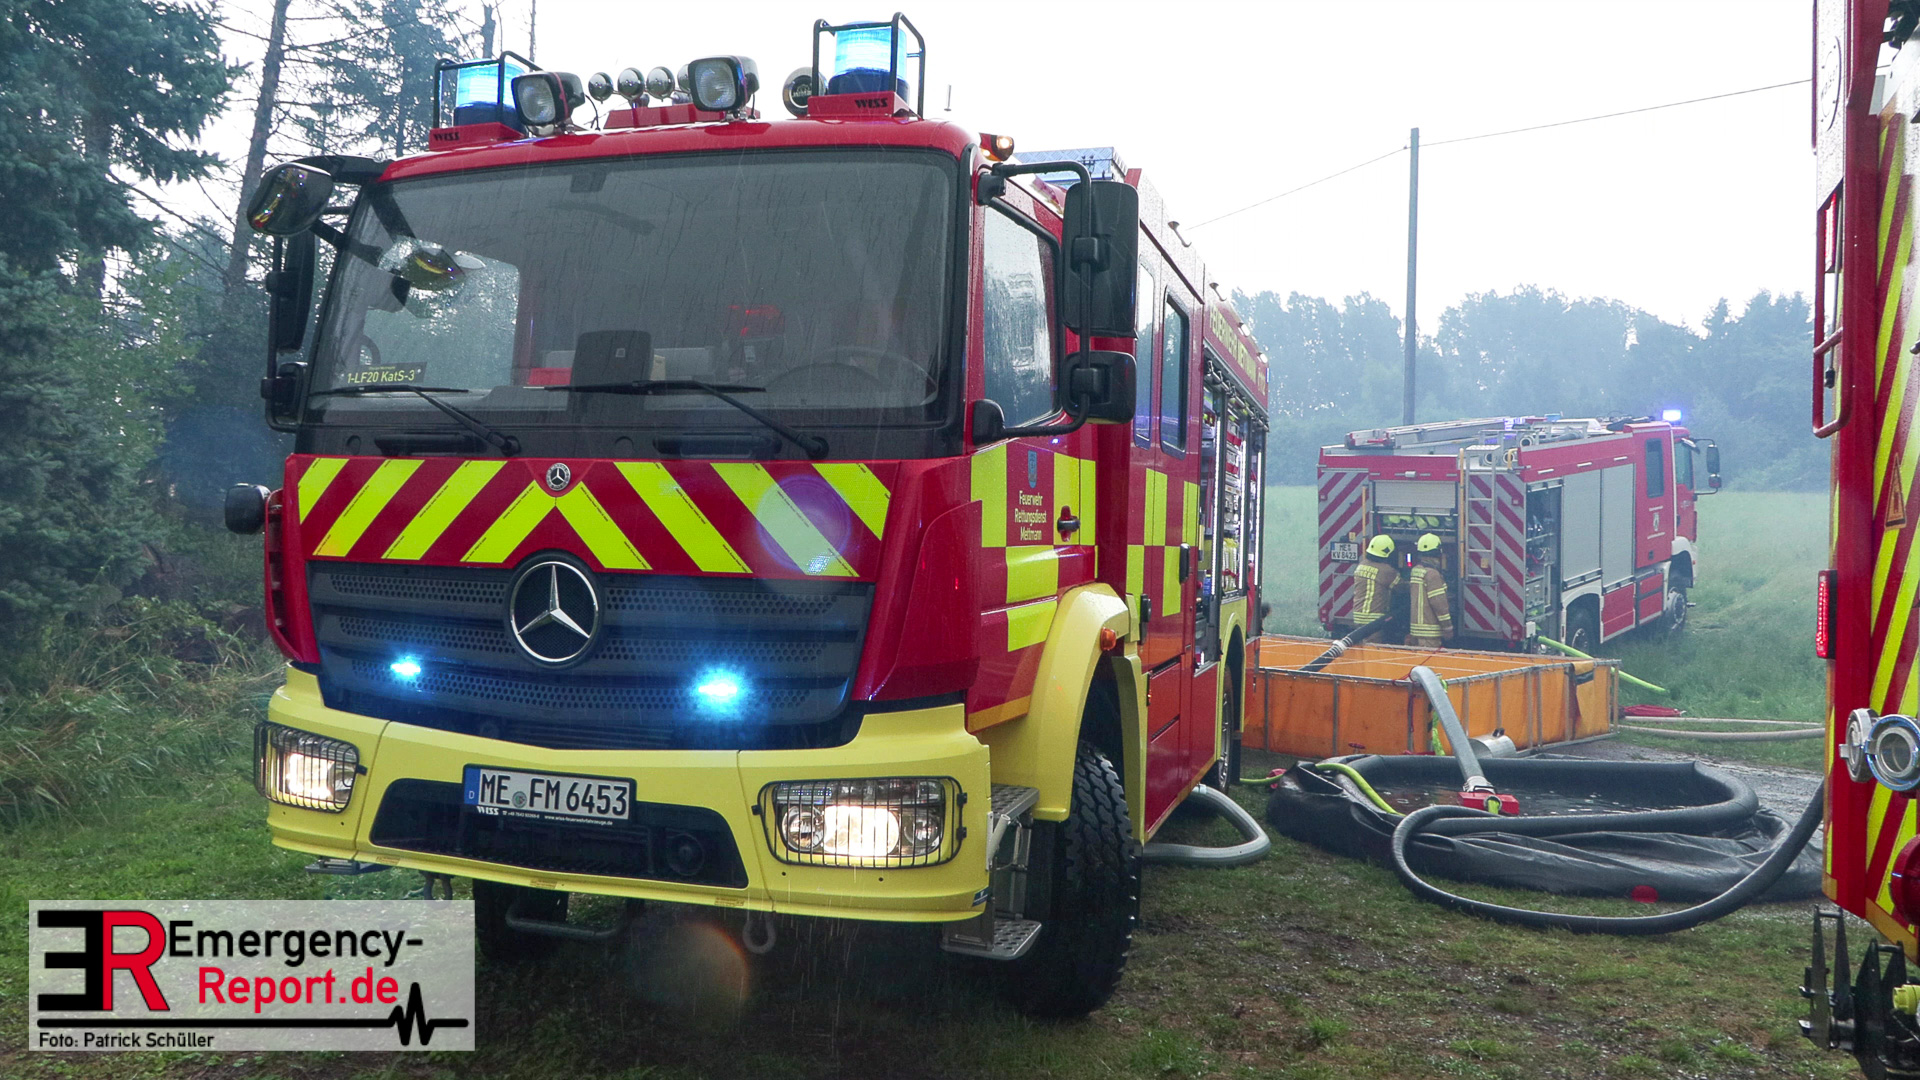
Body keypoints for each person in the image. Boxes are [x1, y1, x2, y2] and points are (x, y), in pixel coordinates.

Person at [1406, 532, 1455, 649]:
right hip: (1430, 634)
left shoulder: (1416, 571)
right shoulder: (1433, 575)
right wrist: (1448, 628)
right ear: (1438, 553)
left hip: (1415, 631)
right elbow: (1439, 604)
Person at [1351, 535, 1399, 628]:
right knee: (1374, 638)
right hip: (1374, 618)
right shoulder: (1386, 570)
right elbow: (1401, 587)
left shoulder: (1362, 565)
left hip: (1358, 616)